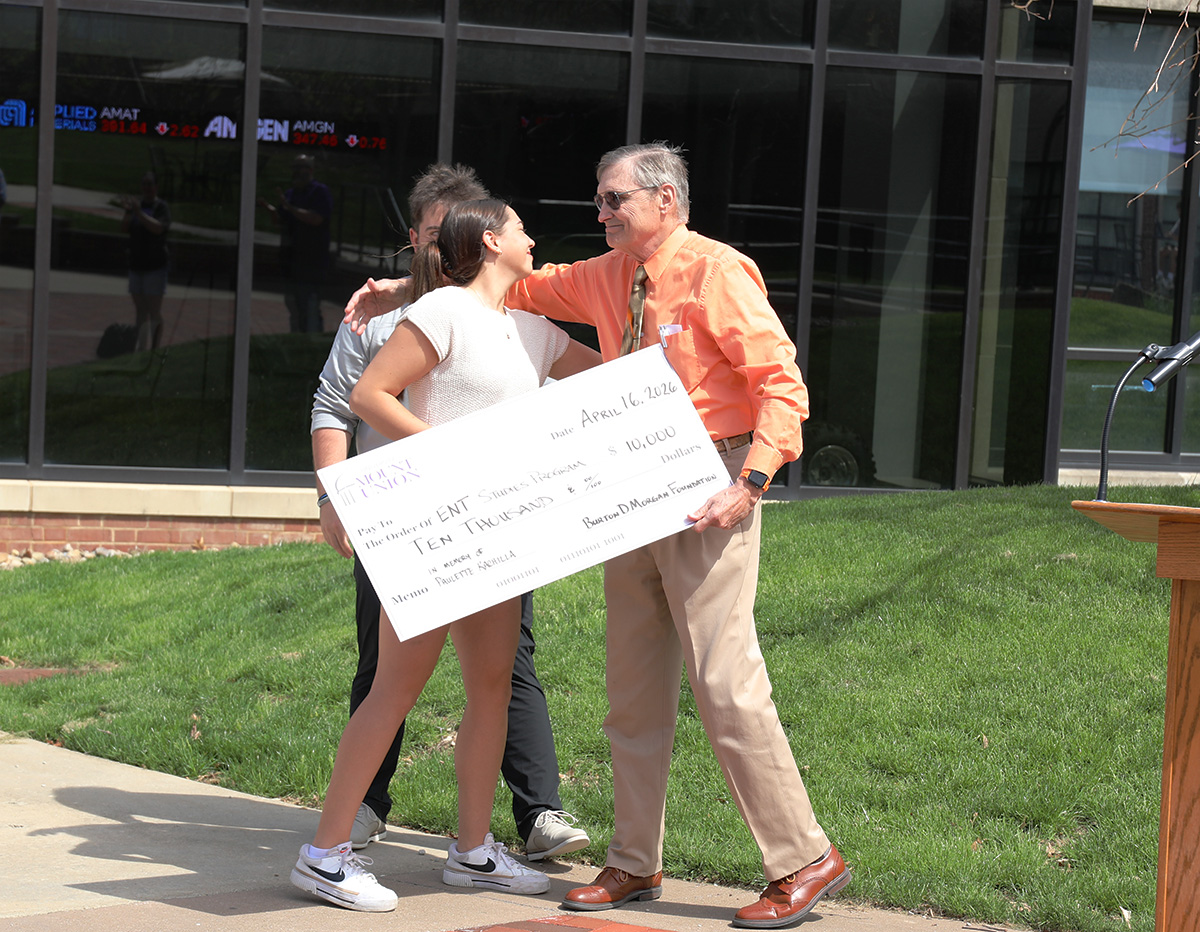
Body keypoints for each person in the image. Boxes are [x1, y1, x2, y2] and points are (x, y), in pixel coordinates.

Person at [343, 142, 849, 929]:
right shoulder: (606, 276)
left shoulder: (720, 271)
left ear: (666, 202)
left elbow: (782, 385)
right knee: (631, 692)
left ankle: (803, 858)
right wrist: (399, 291)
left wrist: (749, 482)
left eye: (615, 200)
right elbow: (506, 280)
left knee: (725, 683)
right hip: (629, 490)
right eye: (601, 201)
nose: (601, 212)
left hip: (712, 480)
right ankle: (633, 862)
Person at [291, 198, 600, 912]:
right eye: (522, 229)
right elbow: (370, 394)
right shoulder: (443, 312)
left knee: (493, 685)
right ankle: (324, 855)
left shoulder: (534, 331)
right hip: (433, 521)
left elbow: (615, 372)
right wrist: (451, 455)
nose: (533, 240)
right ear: (493, 241)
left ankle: (473, 852)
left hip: (500, 528)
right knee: (395, 687)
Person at [260, 153, 332, 332]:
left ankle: (313, 340)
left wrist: (289, 208)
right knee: (293, 304)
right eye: (295, 168)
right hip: (291, 258)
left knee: (310, 305)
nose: (298, 172)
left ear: (310, 170)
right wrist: (269, 208)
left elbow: (316, 219)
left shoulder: (319, 192)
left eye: (302, 168)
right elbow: (281, 220)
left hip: (312, 259)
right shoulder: (292, 193)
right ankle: (297, 337)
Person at [120, 171, 170, 352]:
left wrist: (139, 213)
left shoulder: (161, 207)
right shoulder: (136, 207)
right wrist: (128, 212)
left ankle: (155, 349)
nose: (147, 188)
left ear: (156, 187)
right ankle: (141, 347)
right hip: (136, 264)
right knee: (140, 310)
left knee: (154, 310)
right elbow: (125, 228)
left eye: (150, 184)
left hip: (155, 267)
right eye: (144, 184)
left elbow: (158, 228)